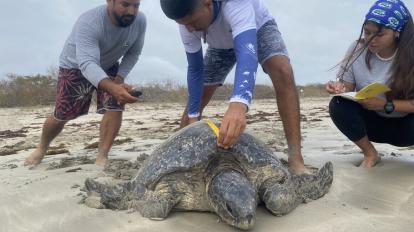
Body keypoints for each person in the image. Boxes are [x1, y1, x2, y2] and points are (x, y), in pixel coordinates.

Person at [160, 0, 306, 173]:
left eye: (192, 23)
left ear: (207, 3)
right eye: (184, 25)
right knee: (197, 99)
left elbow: (247, 55)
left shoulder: (236, 3)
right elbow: (195, 70)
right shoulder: (187, 23)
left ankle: (296, 158)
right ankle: (176, 157)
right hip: (219, 45)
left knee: (283, 71)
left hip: (257, 29)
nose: (190, 29)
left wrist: (238, 105)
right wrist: (193, 116)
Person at [25, 0, 146, 166]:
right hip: (75, 65)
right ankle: (41, 147)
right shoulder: (89, 22)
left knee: (115, 106)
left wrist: (118, 81)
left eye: (136, 5)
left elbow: (133, 53)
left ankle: (102, 155)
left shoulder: (140, 21)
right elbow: (87, 63)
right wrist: (112, 87)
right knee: (61, 115)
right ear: (109, 1)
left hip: (109, 64)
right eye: (125, 4)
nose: (132, 11)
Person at [326, 0, 414, 168]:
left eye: (379, 35)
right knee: (338, 104)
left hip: (407, 128)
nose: (370, 40)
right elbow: (348, 89)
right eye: (367, 32)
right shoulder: (357, 49)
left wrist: (385, 105)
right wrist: (338, 87)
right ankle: (370, 153)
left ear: (397, 32)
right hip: (372, 124)